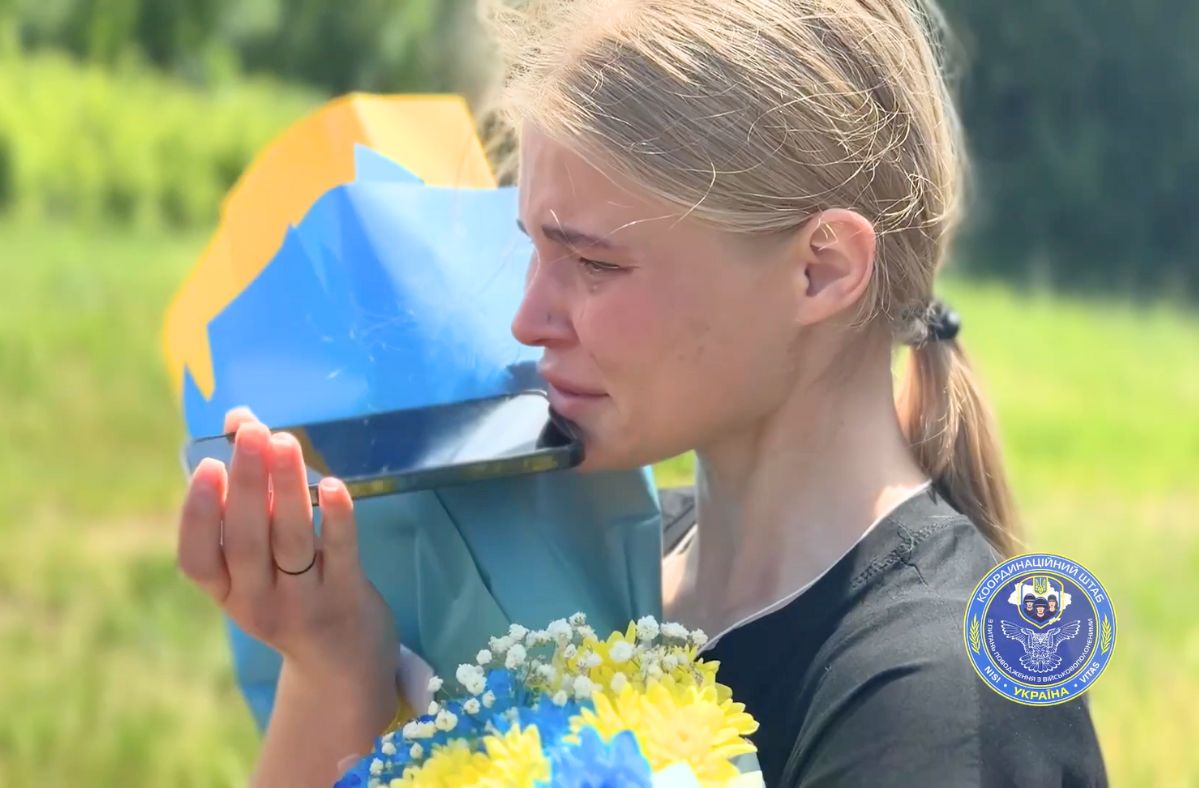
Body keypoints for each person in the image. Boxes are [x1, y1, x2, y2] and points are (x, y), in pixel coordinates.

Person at [175, 0, 1109, 785]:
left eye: (591, 262)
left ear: (820, 270)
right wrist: (337, 660)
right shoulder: (603, 560)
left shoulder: (939, 700)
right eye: (531, 248)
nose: (527, 318)